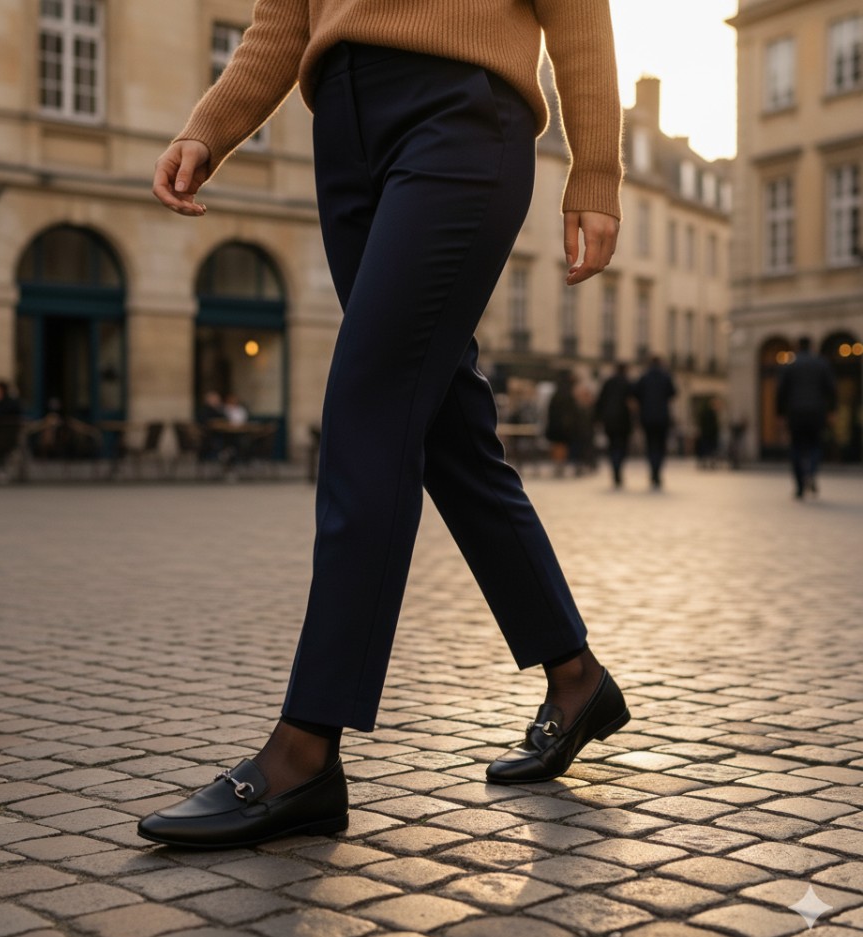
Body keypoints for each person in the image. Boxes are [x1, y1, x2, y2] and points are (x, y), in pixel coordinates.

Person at [139, 0, 630, 850]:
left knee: (367, 407)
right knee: (447, 433)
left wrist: (596, 172)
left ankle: (304, 752)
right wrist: (209, 127)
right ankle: (576, 676)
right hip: (345, 126)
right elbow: (283, 18)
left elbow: (578, 11)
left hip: (462, 115)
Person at [776, 336, 837, 499]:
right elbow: (832, 390)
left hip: (795, 413)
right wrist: (832, 411)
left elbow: (780, 393)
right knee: (815, 445)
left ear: (797, 346)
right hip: (817, 412)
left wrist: (780, 414)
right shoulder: (822, 364)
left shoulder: (789, 365)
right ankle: (811, 472)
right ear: (812, 346)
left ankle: (800, 486)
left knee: (796, 447)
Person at [633, 356, 676, 490]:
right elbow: (673, 393)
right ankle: (657, 471)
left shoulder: (644, 377)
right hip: (662, 418)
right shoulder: (666, 376)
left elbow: (636, 394)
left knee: (651, 445)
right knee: (661, 446)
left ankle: (653, 471)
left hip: (647, 417)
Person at [595, 362, 633, 488]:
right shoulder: (628, 383)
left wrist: (598, 418)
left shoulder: (608, 382)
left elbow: (600, 401)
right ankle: (618, 469)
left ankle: (615, 469)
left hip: (609, 420)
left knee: (612, 446)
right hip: (623, 420)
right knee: (621, 446)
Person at [544, 370, 580, 478]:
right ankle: (560, 466)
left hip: (556, 425)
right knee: (562, 446)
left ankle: (558, 466)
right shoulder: (568, 394)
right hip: (564, 426)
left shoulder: (556, 394)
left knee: (557, 446)